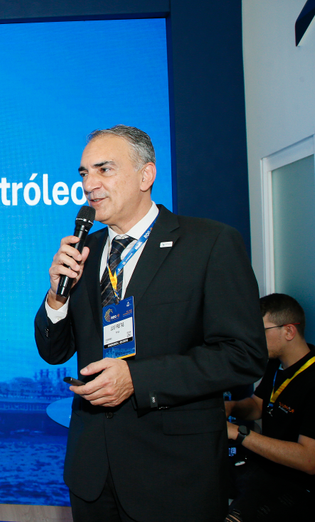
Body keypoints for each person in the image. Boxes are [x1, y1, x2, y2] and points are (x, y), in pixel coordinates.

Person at [34, 125, 267, 521]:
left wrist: (137, 379)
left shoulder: (209, 243)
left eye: (104, 169)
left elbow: (243, 355)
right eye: (84, 173)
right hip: (93, 475)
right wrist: (57, 298)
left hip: (174, 477)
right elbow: (54, 352)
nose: (89, 184)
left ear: (146, 175)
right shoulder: (84, 250)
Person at [224, 293, 315, 521]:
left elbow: (309, 460)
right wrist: (231, 407)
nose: (254, 338)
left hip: (296, 485)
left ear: (289, 331)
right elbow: (258, 405)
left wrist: (238, 433)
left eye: (261, 331)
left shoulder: (312, 380)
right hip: (264, 468)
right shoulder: (277, 363)